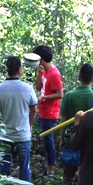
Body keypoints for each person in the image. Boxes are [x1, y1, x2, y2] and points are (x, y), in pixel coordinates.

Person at [59, 63, 93, 185]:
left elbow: (63, 121)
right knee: (86, 176)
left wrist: (61, 138)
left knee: (68, 176)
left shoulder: (69, 96)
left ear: (78, 77)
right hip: (89, 144)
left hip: (71, 140)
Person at [0, 55, 37, 182]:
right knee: (24, 167)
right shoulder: (28, 88)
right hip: (23, 134)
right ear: (20, 69)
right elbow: (34, 110)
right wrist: (30, 125)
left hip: (5, 135)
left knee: (4, 167)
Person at [33, 44, 63, 177]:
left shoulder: (54, 74)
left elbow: (60, 94)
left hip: (50, 113)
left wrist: (44, 97)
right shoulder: (44, 71)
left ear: (42, 59)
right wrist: (39, 74)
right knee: (46, 141)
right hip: (43, 111)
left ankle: (50, 170)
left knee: (48, 141)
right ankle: (48, 167)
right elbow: (38, 87)